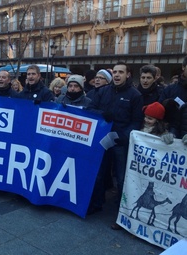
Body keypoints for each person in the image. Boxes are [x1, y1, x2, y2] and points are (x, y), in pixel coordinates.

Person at [88, 62, 143, 227]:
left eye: (121, 72)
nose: (117, 75)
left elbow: (136, 121)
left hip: (121, 142)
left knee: (121, 178)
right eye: (115, 72)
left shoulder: (135, 95)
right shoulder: (103, 91)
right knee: (98, 174)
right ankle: (96, 204)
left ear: (128, 75)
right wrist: (102, 113)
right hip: (103, 139)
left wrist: (124, 136)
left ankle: (122, 214)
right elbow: (90, 108)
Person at [159, 55, 187, 141]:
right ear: (183, 67)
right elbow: (158, 115)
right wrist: (165, 131)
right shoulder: (170, 90)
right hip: (170, 143)